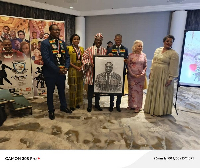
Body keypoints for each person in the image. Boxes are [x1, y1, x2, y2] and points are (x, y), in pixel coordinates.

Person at [41, 24, 72, 120]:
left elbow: (67, 57)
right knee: (50, 92)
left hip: (61, 73)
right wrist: (58, 69)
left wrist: (66, 68)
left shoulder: (62, 43)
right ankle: (51, 110)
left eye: (58, 30)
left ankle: (63, 106)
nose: (58, 32)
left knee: (62, 91)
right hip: (50, 73)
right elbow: (46, 59)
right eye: (55, 30)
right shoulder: (45, 43)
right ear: (50, 31)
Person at [144, 35, 179, 116]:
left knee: (162, 91)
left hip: (164, 75)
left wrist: (170, 78)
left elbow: (174, 67)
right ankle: (150, 108)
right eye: (167, 41)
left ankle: (159, 110)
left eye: (171, 42)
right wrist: (151, 71)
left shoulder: (173, 54)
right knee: (154, 90)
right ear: (164, 42)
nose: (169, 43)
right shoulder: (158, 50)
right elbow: (153, 61)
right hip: (155, 74)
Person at [82, 33, 107, 112]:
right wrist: (89, 63)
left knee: (98, 90)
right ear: (95, 40)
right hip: (91, 72)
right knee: (90, 90)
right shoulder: (89, 49)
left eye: (100, 40)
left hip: (100, 74)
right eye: (97, 40)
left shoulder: (104, 50)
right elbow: (84, 58)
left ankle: (97, 105)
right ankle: (89, 105)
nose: (98, 41)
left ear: (102, 41)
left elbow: (106, 60)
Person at [106, 34, 128, 112]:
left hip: (121, 72)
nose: (118, 41)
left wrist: (126, 60)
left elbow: (126, 58)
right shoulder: (111, 48)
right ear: (114, 40)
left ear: (121, 40)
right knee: (112, 89)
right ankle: (111, 105)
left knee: (119, 89)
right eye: (117, 40)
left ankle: (118, 105)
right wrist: (109, 55)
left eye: (120, 40)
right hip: (112, 72)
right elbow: (106, 59)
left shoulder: (125, 49)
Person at [127, 40, 147, 113]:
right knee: (132, 90)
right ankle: (131, 105)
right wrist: (132, 73)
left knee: (139, 92)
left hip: (140, 77)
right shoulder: (130, 55)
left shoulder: (144, 55)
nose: (140, 47)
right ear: (135, 47)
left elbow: (145, 66)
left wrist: (142, 73)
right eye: (139, 46)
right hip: (132, 76)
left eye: (141, 46)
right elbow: (128, 65)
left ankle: (138, 106)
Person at [67, 34, 84, 111]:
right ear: (71, 40)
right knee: (73, 87)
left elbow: (84, 59)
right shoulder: (68, 48)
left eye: (77, 39)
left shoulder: (82, 49)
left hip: (80, 69)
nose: (76, 40)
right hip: (72, 69)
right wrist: (76, 67)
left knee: (79, 87)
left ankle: (77, 103)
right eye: (74, 39)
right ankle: (72, 104)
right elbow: (68, 60)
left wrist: (82, 66)